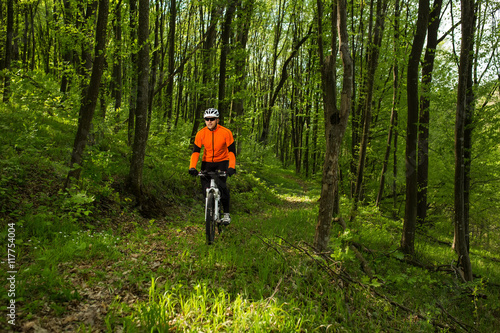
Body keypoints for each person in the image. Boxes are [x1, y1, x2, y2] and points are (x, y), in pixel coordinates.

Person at [189, 108, 236, 225]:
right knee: (205, 188)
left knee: (222, 186)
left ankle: (226, 214)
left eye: (212, 119)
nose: (209, 121)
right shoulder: (201, 133)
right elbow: (195, 152)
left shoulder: (226, 132)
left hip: (222, 161)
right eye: (207, 119)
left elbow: (232, 152)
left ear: (217, 120)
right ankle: (210, 206)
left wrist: (232, 167)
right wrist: (192, 167)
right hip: (207, 162)